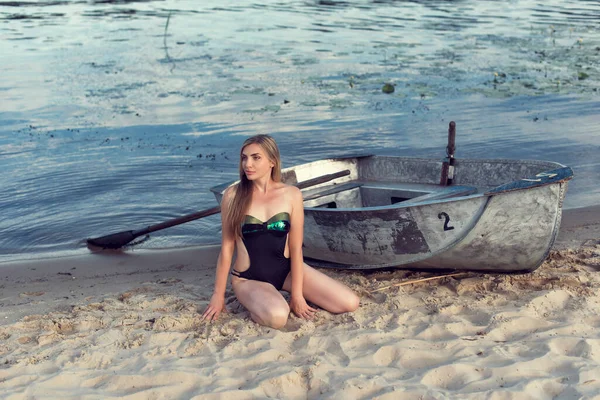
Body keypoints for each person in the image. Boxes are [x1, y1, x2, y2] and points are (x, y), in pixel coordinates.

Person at [202, 134, 359, 329]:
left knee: (349, 303)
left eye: (255, 157)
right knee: (278, 317)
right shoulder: (233, 196)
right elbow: (226, 249)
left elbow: (296, 248)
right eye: (244, 157)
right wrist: (218, 296)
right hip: (248, 277)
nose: (247, 164)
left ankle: (274, 296)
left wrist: (297, 295)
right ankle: (259, 300)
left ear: (272, 162)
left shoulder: (292, 195)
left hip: (286, 271)